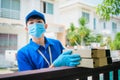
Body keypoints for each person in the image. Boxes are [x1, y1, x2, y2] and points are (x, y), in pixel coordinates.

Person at [17, 10, 81, 71]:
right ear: (26, 29)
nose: (35, 25)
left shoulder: (57, 43)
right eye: (31, 23)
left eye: (39, 22)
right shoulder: (22, 53)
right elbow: (29, 77)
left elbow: (68, 59)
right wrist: (54, 66)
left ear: (45, 26)